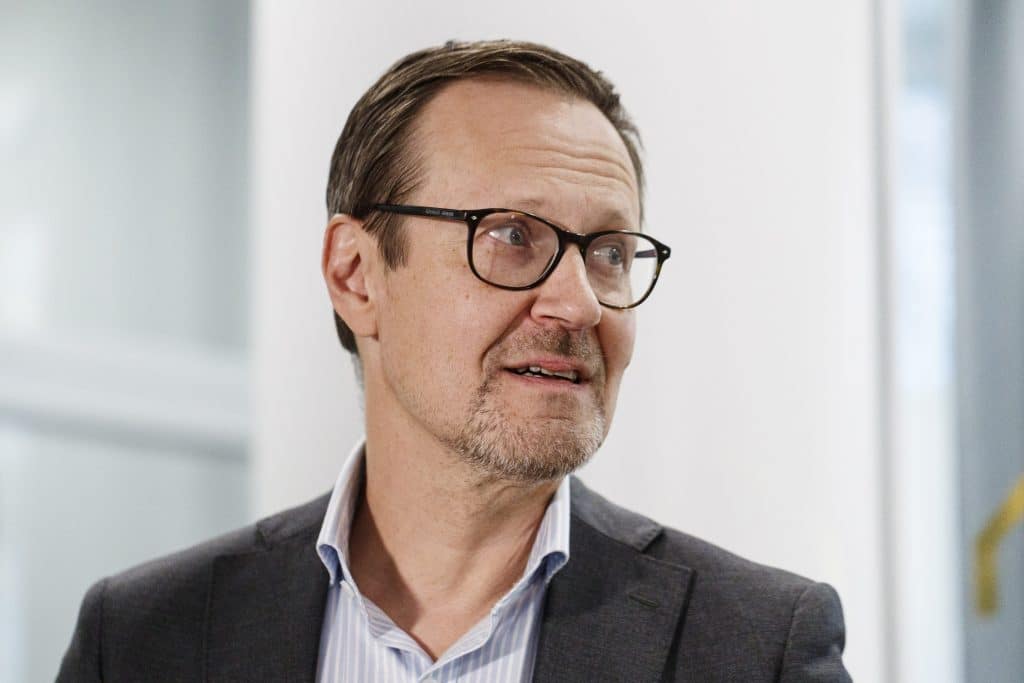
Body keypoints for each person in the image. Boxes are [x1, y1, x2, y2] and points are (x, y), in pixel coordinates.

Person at [59, 40, 851, 682]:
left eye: (609, 252)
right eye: (512, 236)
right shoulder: (141, 639)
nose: (579, 304)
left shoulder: (757, 649)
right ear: (356, 275)